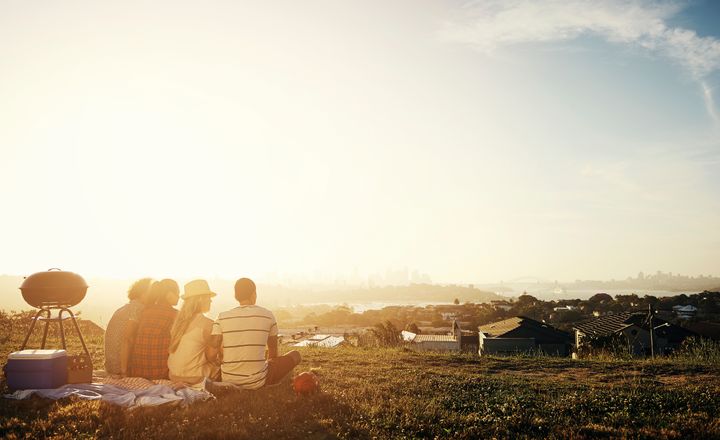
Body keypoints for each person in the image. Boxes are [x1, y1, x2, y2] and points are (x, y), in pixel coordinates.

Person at [207, 277, 301, 389]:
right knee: (295, 355)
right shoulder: (268, 316)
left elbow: (211, 355)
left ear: (235, 296)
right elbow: (273, 353)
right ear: (254, 294)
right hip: (258, 381)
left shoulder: (221, 317)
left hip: (228, 379)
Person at [167, 279, 220, 384]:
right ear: (200, 299)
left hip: (174, 376)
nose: (211, 301)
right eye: (208, 298)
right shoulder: (207, 323)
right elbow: (211, 356)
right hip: (194, 377)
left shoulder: (178, 323)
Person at [128, 279, 179, 379]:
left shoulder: (145, 311)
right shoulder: (175, 314)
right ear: (169, 295)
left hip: (137, 371)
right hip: (159, 373)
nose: (179, 297)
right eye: (177, 293)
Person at [103, 278, 153, 376]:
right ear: (143, 293)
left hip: (111, 365)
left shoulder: (124, 308)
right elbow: (127, 338)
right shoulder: (137, 308)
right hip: (120, 366)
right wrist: (124, 371)